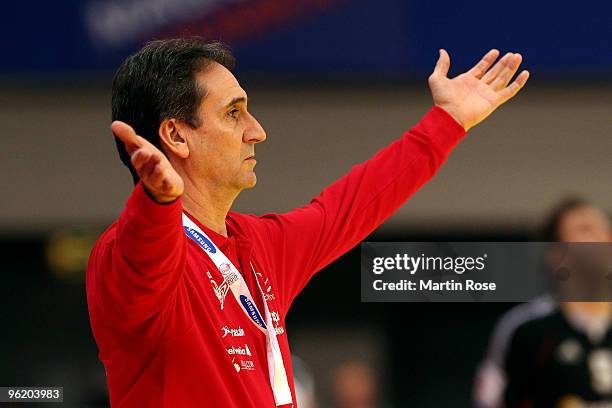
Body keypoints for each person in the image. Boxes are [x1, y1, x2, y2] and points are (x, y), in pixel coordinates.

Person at [86, 38, 528, 407]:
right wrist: (156, 200)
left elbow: (351, 205)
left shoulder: (258, 244)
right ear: (177, 135)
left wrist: (447, 122)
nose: (257, 130)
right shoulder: (123, 257)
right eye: (233, 113)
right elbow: (146, 254)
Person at [474, 198, 612, 408]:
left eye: (607, 231)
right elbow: (488, 401)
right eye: (585, 230)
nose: (604, 239)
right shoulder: (527, 328)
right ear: (556, 253)